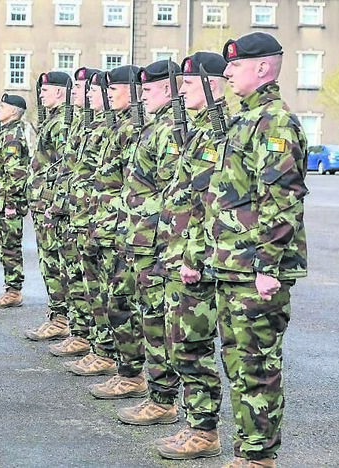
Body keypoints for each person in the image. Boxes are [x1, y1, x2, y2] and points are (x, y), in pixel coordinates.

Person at [209, 32, 308, 468]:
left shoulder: (275, 122)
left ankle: (258, 457)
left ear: (262, 68)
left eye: (236, 65)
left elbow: (282, 199)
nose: (227, 72)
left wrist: (267, 265)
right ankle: (247, 451)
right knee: (238, 364)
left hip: (256, 271)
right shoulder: (245, 118)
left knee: (257, 367)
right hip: (233, 266)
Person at [151, 51, 229, 460]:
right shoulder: (197, 130)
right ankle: (195, 424)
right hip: (176, 253)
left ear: (211, 85)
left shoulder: (219, 132)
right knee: (179, 341)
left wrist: (193, 258)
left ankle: (205, 431)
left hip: (195, 261)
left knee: (191, 345)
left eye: (187, 84)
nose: (180, 91)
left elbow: (210, 203)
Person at [114, 60, 183, 425]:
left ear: (168, 90)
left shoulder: (171, 130)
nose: (145, 94)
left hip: (158, 245)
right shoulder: (154, 127)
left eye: (151, 88)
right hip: (141, 239)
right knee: (147, 317)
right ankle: (156, 394)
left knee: (159, 323)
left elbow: (176, 194)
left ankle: (163, 400)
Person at [87, 65, 148, 399]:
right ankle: (122, 365)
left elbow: (134, 185)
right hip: (108, 226)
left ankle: (131, 372)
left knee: (124, 304)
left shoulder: (136, 129)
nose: (108, 95)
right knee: (112, 301)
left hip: (126, 231)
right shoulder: (118, 126)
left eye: (115, 89)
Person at [45, 67, 101, 358]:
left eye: (86, 89)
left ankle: (95, 344)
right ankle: (78, 332)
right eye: (80, 89)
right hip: (71, 212)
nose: (80, 93)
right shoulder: (80, 123)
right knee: (74, 276)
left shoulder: (100, 128)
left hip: (92, 219)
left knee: (94, 286)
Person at [25, 71, 72, 340]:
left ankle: (61, 318)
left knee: (56, 261)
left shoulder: (63, 122)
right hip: (43, 202)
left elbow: (63, 166)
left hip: (51, 205)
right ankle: (57, 315)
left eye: (46, 90)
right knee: (48, 261)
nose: (41, 95)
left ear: (59, 92)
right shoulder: (53, 120)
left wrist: (52, 202)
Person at [0, 93, 30, 308]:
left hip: (6, 204)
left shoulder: (13, 137)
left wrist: (10, 204)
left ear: (13, 111)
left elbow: (16, 174)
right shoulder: (6, 133)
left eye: (3, 107)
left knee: (10, 247)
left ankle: (14, 292)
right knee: (4, 247)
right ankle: (10, 288)